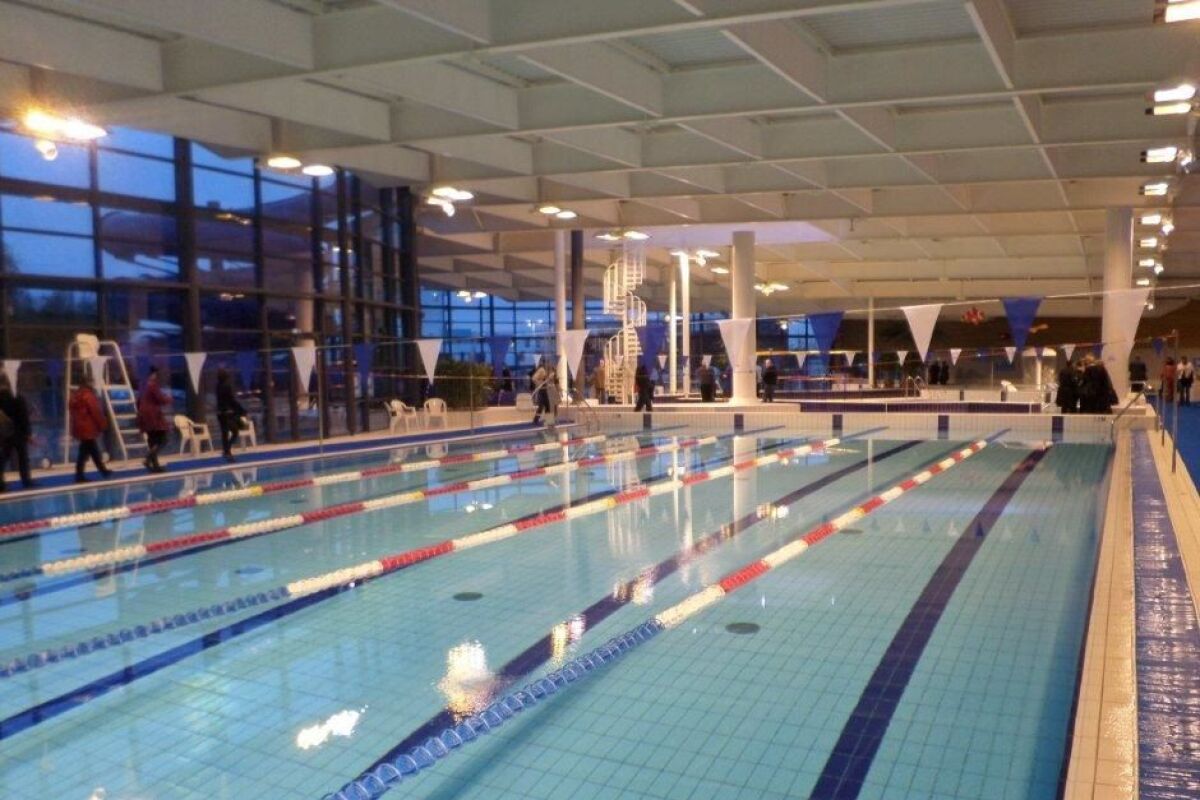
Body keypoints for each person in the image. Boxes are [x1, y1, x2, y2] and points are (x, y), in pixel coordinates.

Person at [69, 375, 112, 483]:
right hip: (88, 426)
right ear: (88, 383)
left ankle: (102, 470)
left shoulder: (74, 396)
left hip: (79, 426)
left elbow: (72, 411)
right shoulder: (88, 395)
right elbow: (95, 411)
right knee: (85, 452)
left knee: (91, 449)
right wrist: (103, 424)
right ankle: (80, 475)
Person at [0, 375, 34, 491]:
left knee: (3, 458)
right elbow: (24, 417)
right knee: (23, 458)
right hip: (19, 433)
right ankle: (26, 481)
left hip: (5, 433)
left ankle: (1, 483)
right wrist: (28, 433)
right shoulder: (18, 397)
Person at [137, 366, 171, 473]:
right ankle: (148, 459)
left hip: (144, 415)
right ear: (154, 374)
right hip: (152, 415)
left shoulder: (143, 386)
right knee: (163, 439)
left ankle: (155, 466)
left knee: (152, 440)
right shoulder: (152, 385)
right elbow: (161, 399)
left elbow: (139, 400)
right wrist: (169, 398)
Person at [215, 368, 246, 463]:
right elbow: (232, 400)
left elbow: (225, 400)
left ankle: (227, 451)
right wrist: (241, 410)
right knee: (235, 431)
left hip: (220, 413)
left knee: (225, 433)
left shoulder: (218, 386)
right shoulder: (227, 386)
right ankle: (227, 450)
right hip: (226, 413)